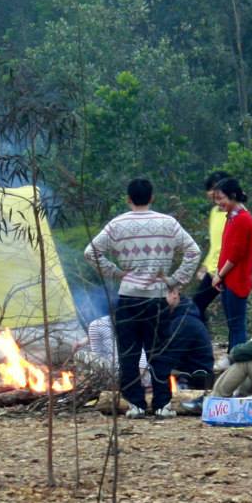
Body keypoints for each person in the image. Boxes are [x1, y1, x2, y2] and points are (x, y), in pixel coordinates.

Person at [83, 177, 202, 418]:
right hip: (156, 298)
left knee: (129, 353)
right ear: (152, 197)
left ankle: (135, 404)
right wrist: (174, 280)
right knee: (158, 352)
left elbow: (90, 252)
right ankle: (161, 405)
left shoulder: (117, 225)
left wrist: (116, 272)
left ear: (128, 199)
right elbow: (193, 251)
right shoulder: (168, 223)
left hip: (128, 297)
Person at [211, 175, 252, 349]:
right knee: (232, 324)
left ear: (233, 195)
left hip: (237, 280)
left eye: (221, 198)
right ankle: (233, 358)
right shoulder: (231, 217)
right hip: (228, 279)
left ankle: (239, 361)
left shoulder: (243, 219)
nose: (218, 203)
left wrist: (219, 275)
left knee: (237, 325)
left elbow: (236, 254)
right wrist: (219, 274)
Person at [150, 298, 216, 404]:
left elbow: (170, 357)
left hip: (194, 378)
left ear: (174, 295)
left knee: (155, 371)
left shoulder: (183, 323)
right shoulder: (181, 318)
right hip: (190, 372)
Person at [192, 170, 230, 326]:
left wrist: (221, 272)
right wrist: (205, 266)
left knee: (231, 312)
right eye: (210, 189)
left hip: (227, 269)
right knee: (197, 305)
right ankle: (203, 340)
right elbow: (215, 245)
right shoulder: (214, 212)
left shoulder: (233, 212)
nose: (212, 193)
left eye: (215, 189)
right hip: (213, 269)